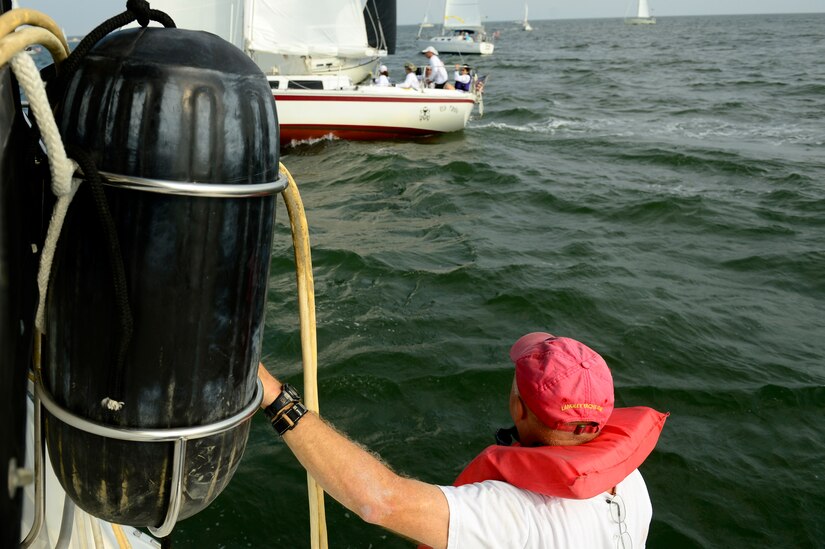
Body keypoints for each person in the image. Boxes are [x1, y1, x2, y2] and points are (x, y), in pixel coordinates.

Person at [257, 331, 664, 548]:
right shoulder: (630, 482)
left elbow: (380, 502)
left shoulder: (513, 516)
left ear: (518, 408)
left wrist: (276, 399)